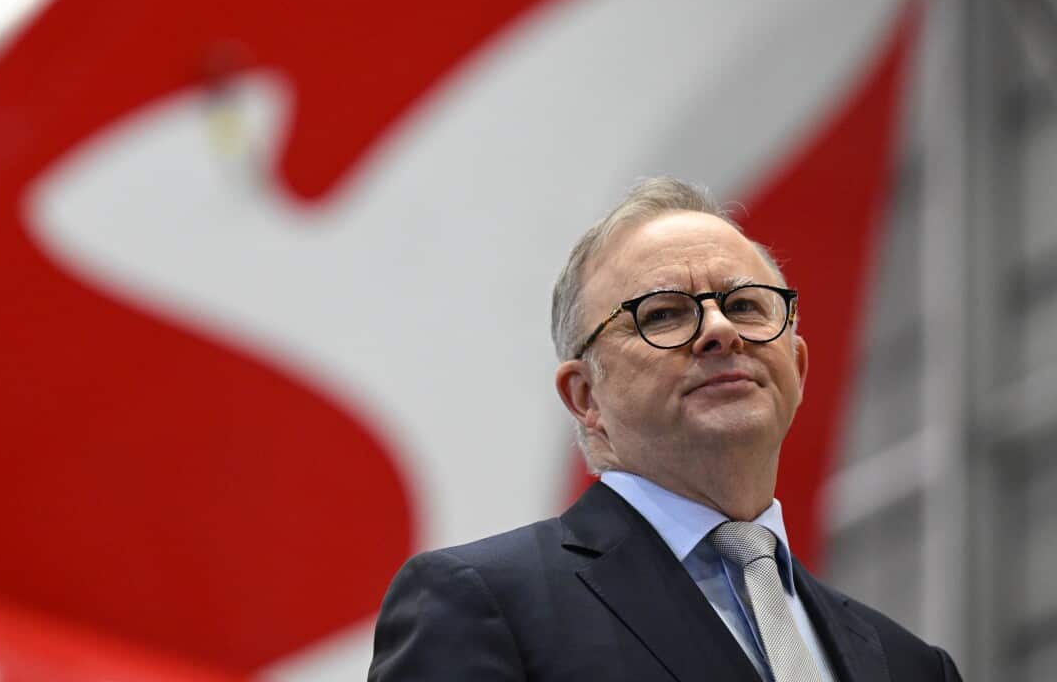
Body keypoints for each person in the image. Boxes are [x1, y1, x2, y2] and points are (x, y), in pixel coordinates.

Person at [367, 177, 962, 681]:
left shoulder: (911, 665)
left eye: (746, 305)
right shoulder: (480, 603)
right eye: (663, 314)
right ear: (585, 396)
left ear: (798, 368)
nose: (719, 331)